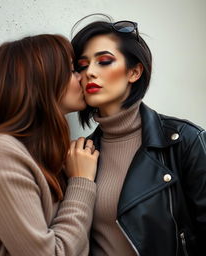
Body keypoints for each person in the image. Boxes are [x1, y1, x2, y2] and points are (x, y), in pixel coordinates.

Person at [0, 34, 99, 256]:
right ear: (41, 80)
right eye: (71, 70)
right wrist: (82, 183)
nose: (81, 78)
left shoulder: (47, 154)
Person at [71, 16, 206, 256]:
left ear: (134, 72)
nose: (89, 72)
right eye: (82, 65)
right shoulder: (81, 155)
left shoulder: (184, 141)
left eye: (104, 61)